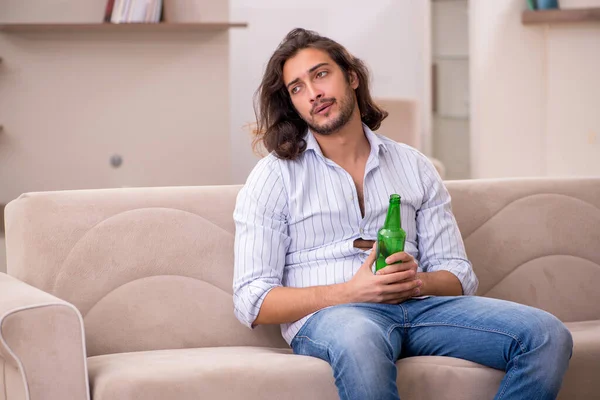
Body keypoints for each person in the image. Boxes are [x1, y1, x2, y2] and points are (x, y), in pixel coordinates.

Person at [232, 28, 572, 400]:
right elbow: (252, 298)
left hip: (422, 310)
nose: (313, 93)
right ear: (292, 103)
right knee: (360, 341)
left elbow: (459, 274)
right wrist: (349, 292)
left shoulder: (414, 165)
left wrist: (417, 283)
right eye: (297, 88)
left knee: (545, 335)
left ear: (352, 76)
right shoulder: (274, 175)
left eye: (321, 74)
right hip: (338, 319)